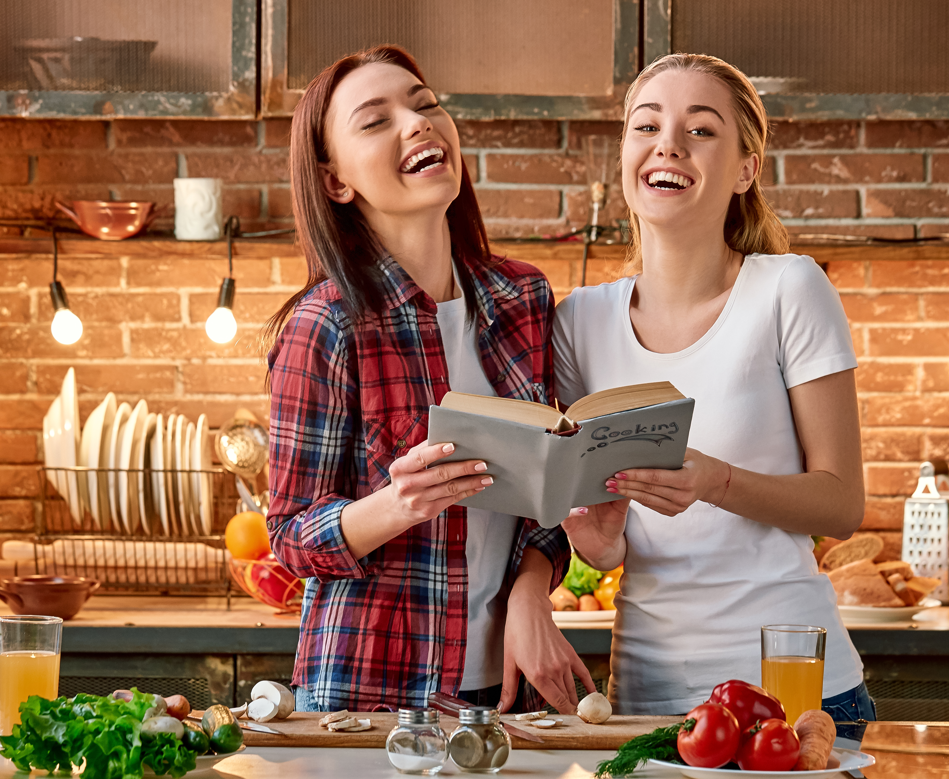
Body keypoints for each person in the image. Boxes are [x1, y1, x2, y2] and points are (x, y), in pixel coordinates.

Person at [264, 45, 593, 714]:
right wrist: (398, 503)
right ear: (336, 182)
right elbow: (290, 535)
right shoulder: (327, 325)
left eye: (424, 104)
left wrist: (531, 593)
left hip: (509, 695)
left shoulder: (522, 297)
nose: (417, 124)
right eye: (375, 120)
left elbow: (546, 495)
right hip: (370, 696)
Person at [554, 53, 876, 721]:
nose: (667, 143)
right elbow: (607, 536)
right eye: (646, 126)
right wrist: (599, 538)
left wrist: (716, 481)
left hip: (791, 694)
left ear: (744, 169)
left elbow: (842, 503)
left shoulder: (789, 290)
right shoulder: (579, 321)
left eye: (700, 130)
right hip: (651, 693)